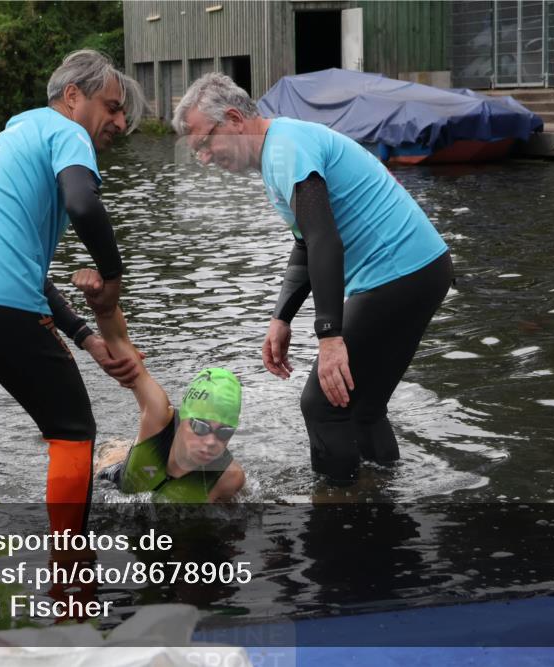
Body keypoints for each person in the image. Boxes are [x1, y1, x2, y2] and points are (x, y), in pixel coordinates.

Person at [172, 73, 454, 486]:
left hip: (397, 273)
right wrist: (281, 317)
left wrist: (329, 337)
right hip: (421, 269)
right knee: (362, 407)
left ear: (233, 119)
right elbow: (307, 243)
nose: (204, 158)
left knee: (322, 404)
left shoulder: (286, 149)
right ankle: (383, 497)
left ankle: (335, 512)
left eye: (204, 143)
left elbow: (324, 239)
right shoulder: (280, 150)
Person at [0, 50, 145, 533]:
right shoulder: (67, 131)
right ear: (73, 96)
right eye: (113, 106)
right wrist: (112, 277)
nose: (120, 122)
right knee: (73, 432)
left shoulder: (7, 140)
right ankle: (70, 584)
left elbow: (23, 270)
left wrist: (86, 337)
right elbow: (83, 203)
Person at [71, 269, 245, 503]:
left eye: (224, 431)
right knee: (105, 459)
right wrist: (102, 303)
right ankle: (120, 448)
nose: (212, 442)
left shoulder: (228, 479)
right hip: (115, 479)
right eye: (201, 427)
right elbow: (119, 341)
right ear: (184, 418)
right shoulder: (158, 417)